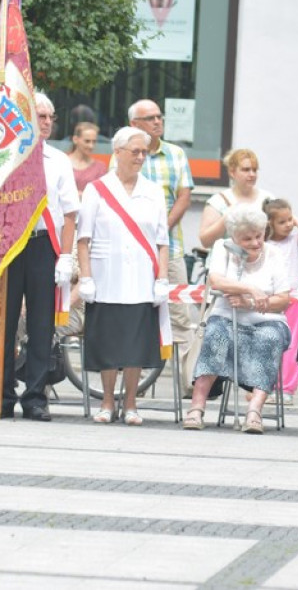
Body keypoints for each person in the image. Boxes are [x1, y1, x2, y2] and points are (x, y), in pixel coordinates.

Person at [0, 92, 79, 421]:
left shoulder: (59, 161)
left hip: (43, 245)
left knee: (41, 325)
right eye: (40, 116)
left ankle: (36, 397)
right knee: (4, 324)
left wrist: (65, 256)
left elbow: (69, 213)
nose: (47, 121)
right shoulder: (0, 157)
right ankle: (1, 395)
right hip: (7, 246)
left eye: (50, 116)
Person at [78, 126, 169, 425]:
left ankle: (130, 403)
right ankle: (106, 401)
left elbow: (162, 242)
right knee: (108, 342)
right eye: (135, 151)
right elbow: (84, 238)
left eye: (144, 152)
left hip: (142, 276)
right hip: (107, 276)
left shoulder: (153, 191)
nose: (141, 157)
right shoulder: (97, 189)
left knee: (134, 345)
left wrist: (162, 279)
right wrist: (86, 277)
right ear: (117, 153)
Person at [183, 204, 291, 433]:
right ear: (234, 236)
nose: (254, 243)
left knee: (270, 338)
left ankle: (254, 410)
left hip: (267, 320)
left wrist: (249, 303)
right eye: (246, 239)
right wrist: (250, 289)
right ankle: (197, 407)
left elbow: (283, 299)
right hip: (225, 316)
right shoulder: (222, 247)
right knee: (216, 335)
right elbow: (216, 280)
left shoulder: (274, 254)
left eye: (258, 236)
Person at [119, 99, 195, 391]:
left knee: (181, 316)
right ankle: (130, 384)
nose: (157, 122)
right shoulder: (122, 156)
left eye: (159, 116)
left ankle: (191, 386)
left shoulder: (176, 154)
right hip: (132, 252)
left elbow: (184, 197)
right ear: (134, 124)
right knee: (132, 314)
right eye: (149, 118)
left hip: (170, 250)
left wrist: (160, 232)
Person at [263, 198, 298, 405]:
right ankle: (266, 385)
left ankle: (287, 388)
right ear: (269, 224)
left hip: (295, 299)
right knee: (270, 343)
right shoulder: (266, 245)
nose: (288, 225)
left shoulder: (295, 239)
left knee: (291, 346)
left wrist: (295, 220)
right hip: (273, 300)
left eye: (290, 219)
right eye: (282, 221)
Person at [198, 149, 273, 249]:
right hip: (226, 261)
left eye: (254, 170)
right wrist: (227, 218)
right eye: (246, 170)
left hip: (260, 262)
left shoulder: (267, 198)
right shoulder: (218, 201)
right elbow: (205, 241)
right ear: (232, 172)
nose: (252, 174)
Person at [67, 121, 107, 194]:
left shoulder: (100, 168)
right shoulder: (62, 162)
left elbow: (102, 195)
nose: (91, 146)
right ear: (75, 139)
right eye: (87, 141)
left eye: (94, 142)